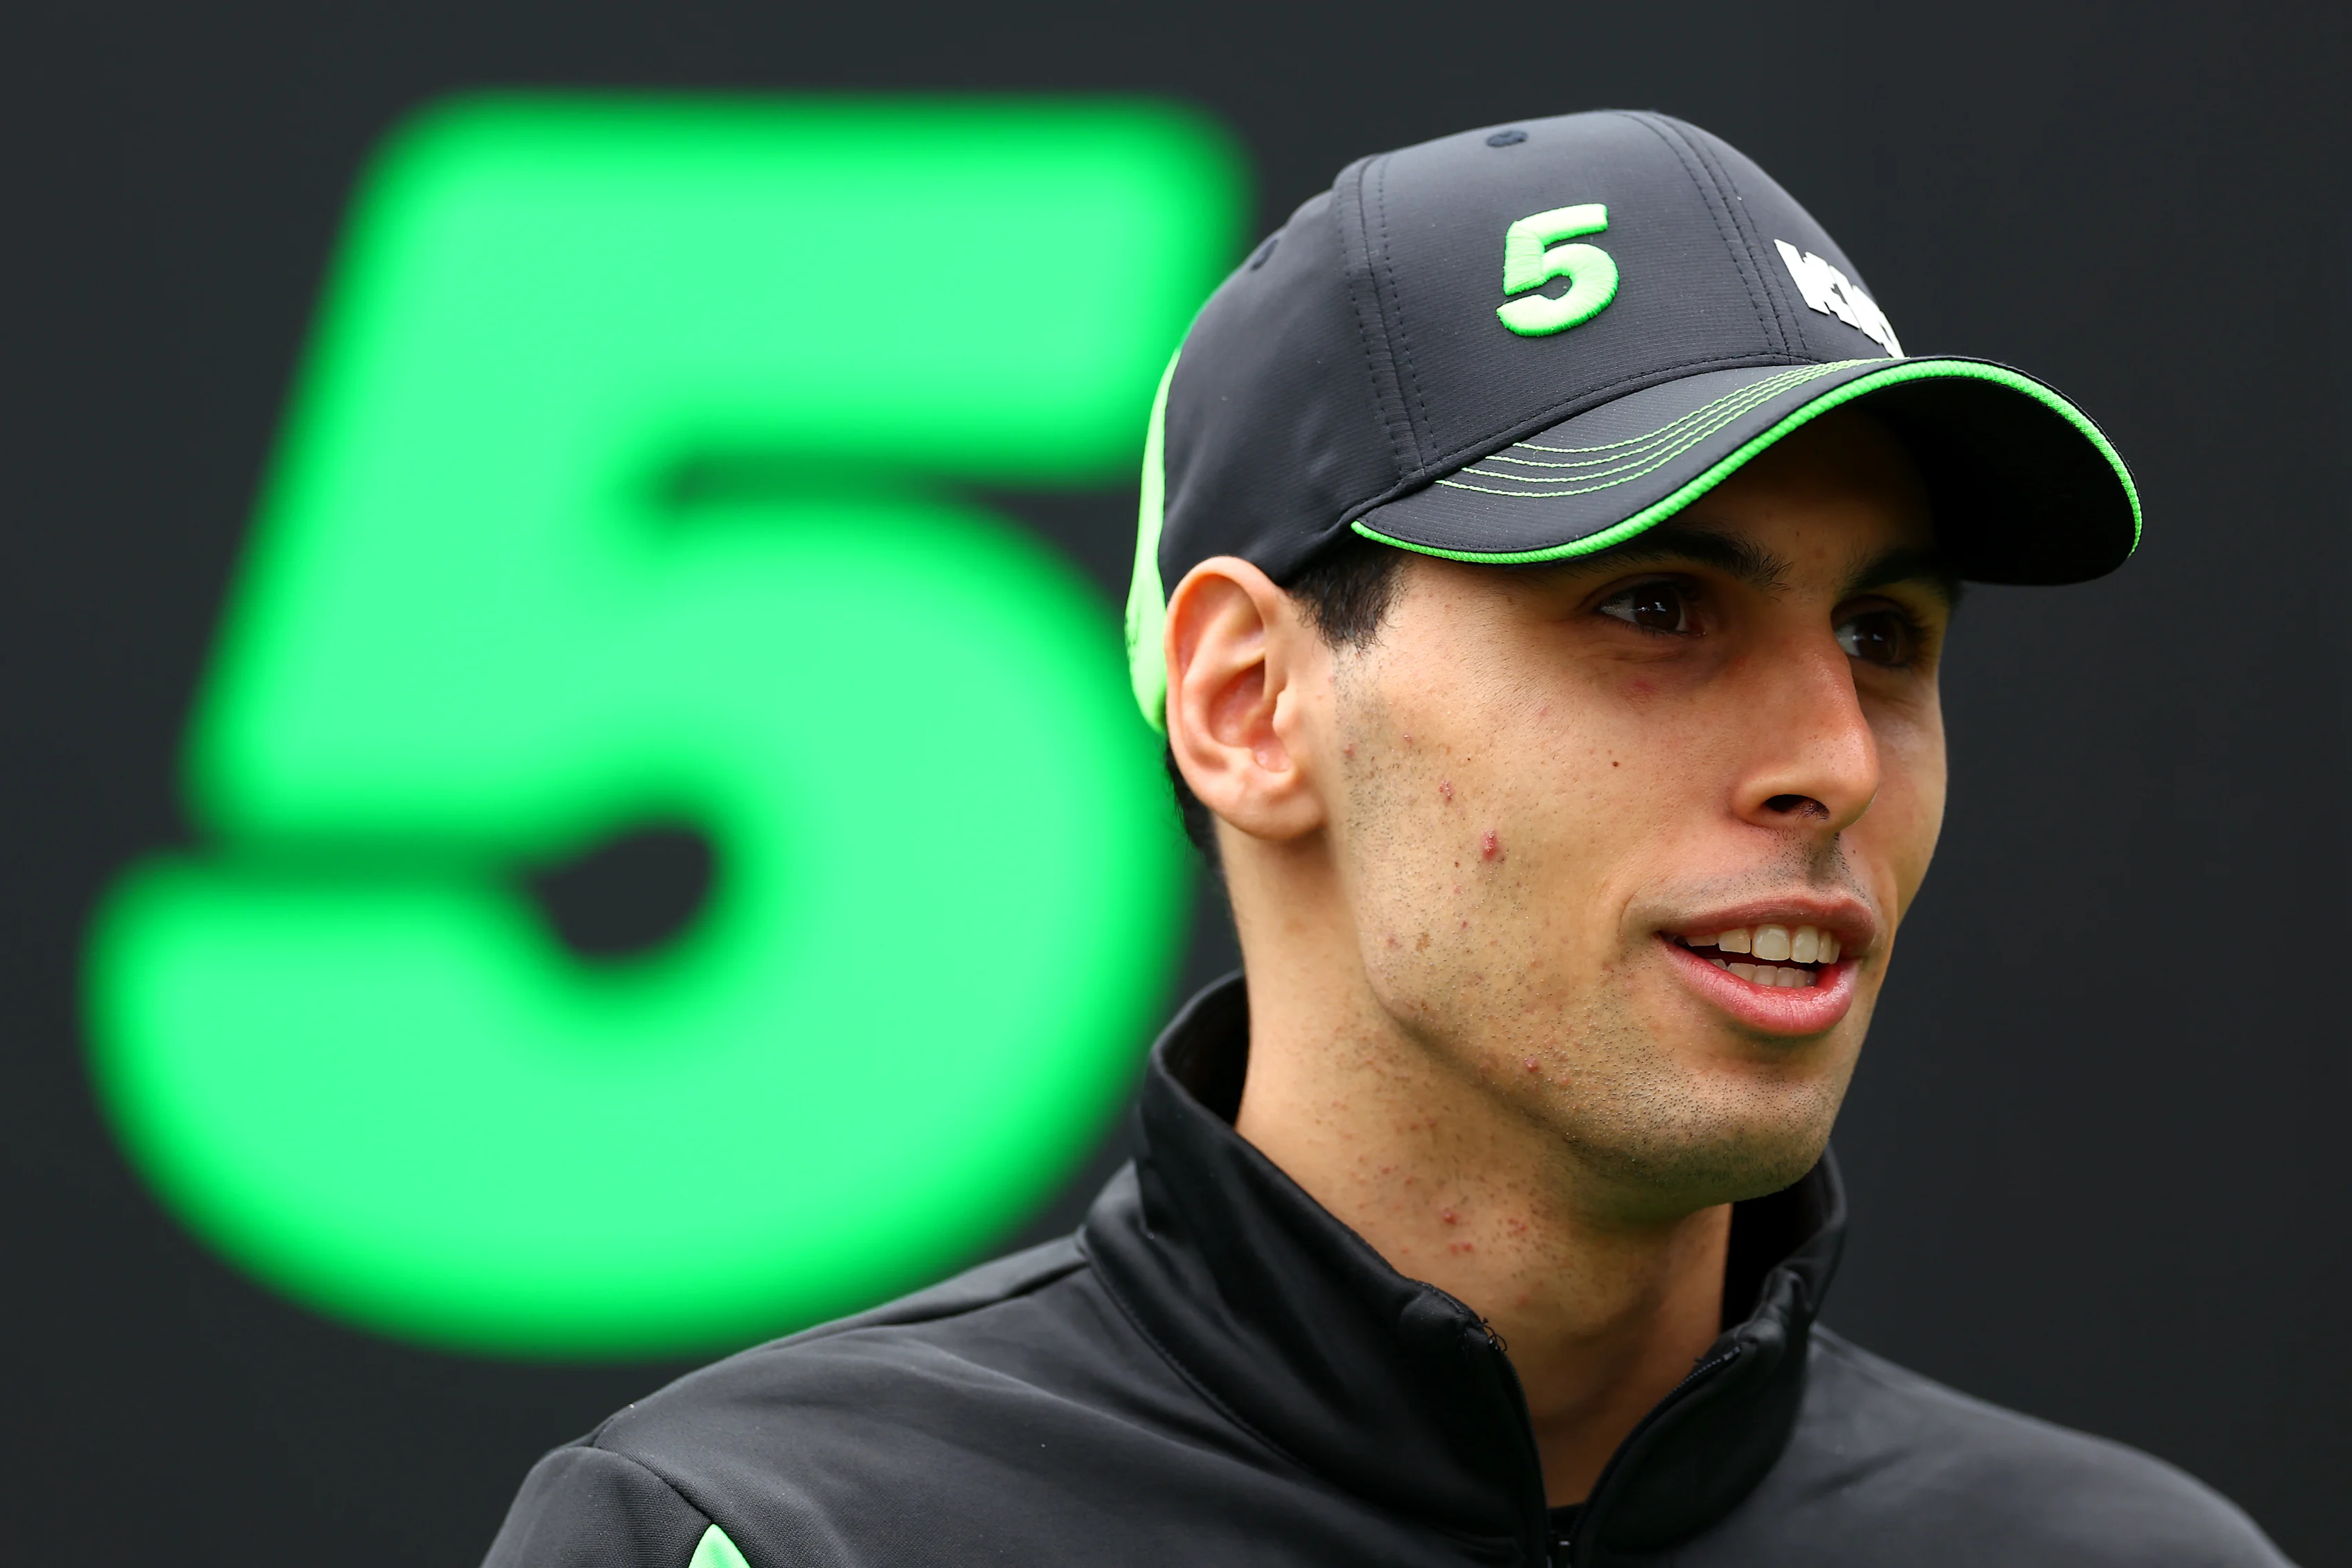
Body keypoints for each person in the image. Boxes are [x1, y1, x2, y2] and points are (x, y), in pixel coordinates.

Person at [482, 110, 2290, 1567]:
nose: (1833, 756)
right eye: (1657, 607)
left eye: (1886, 635)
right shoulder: (769, 1537)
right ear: (1249, 703)